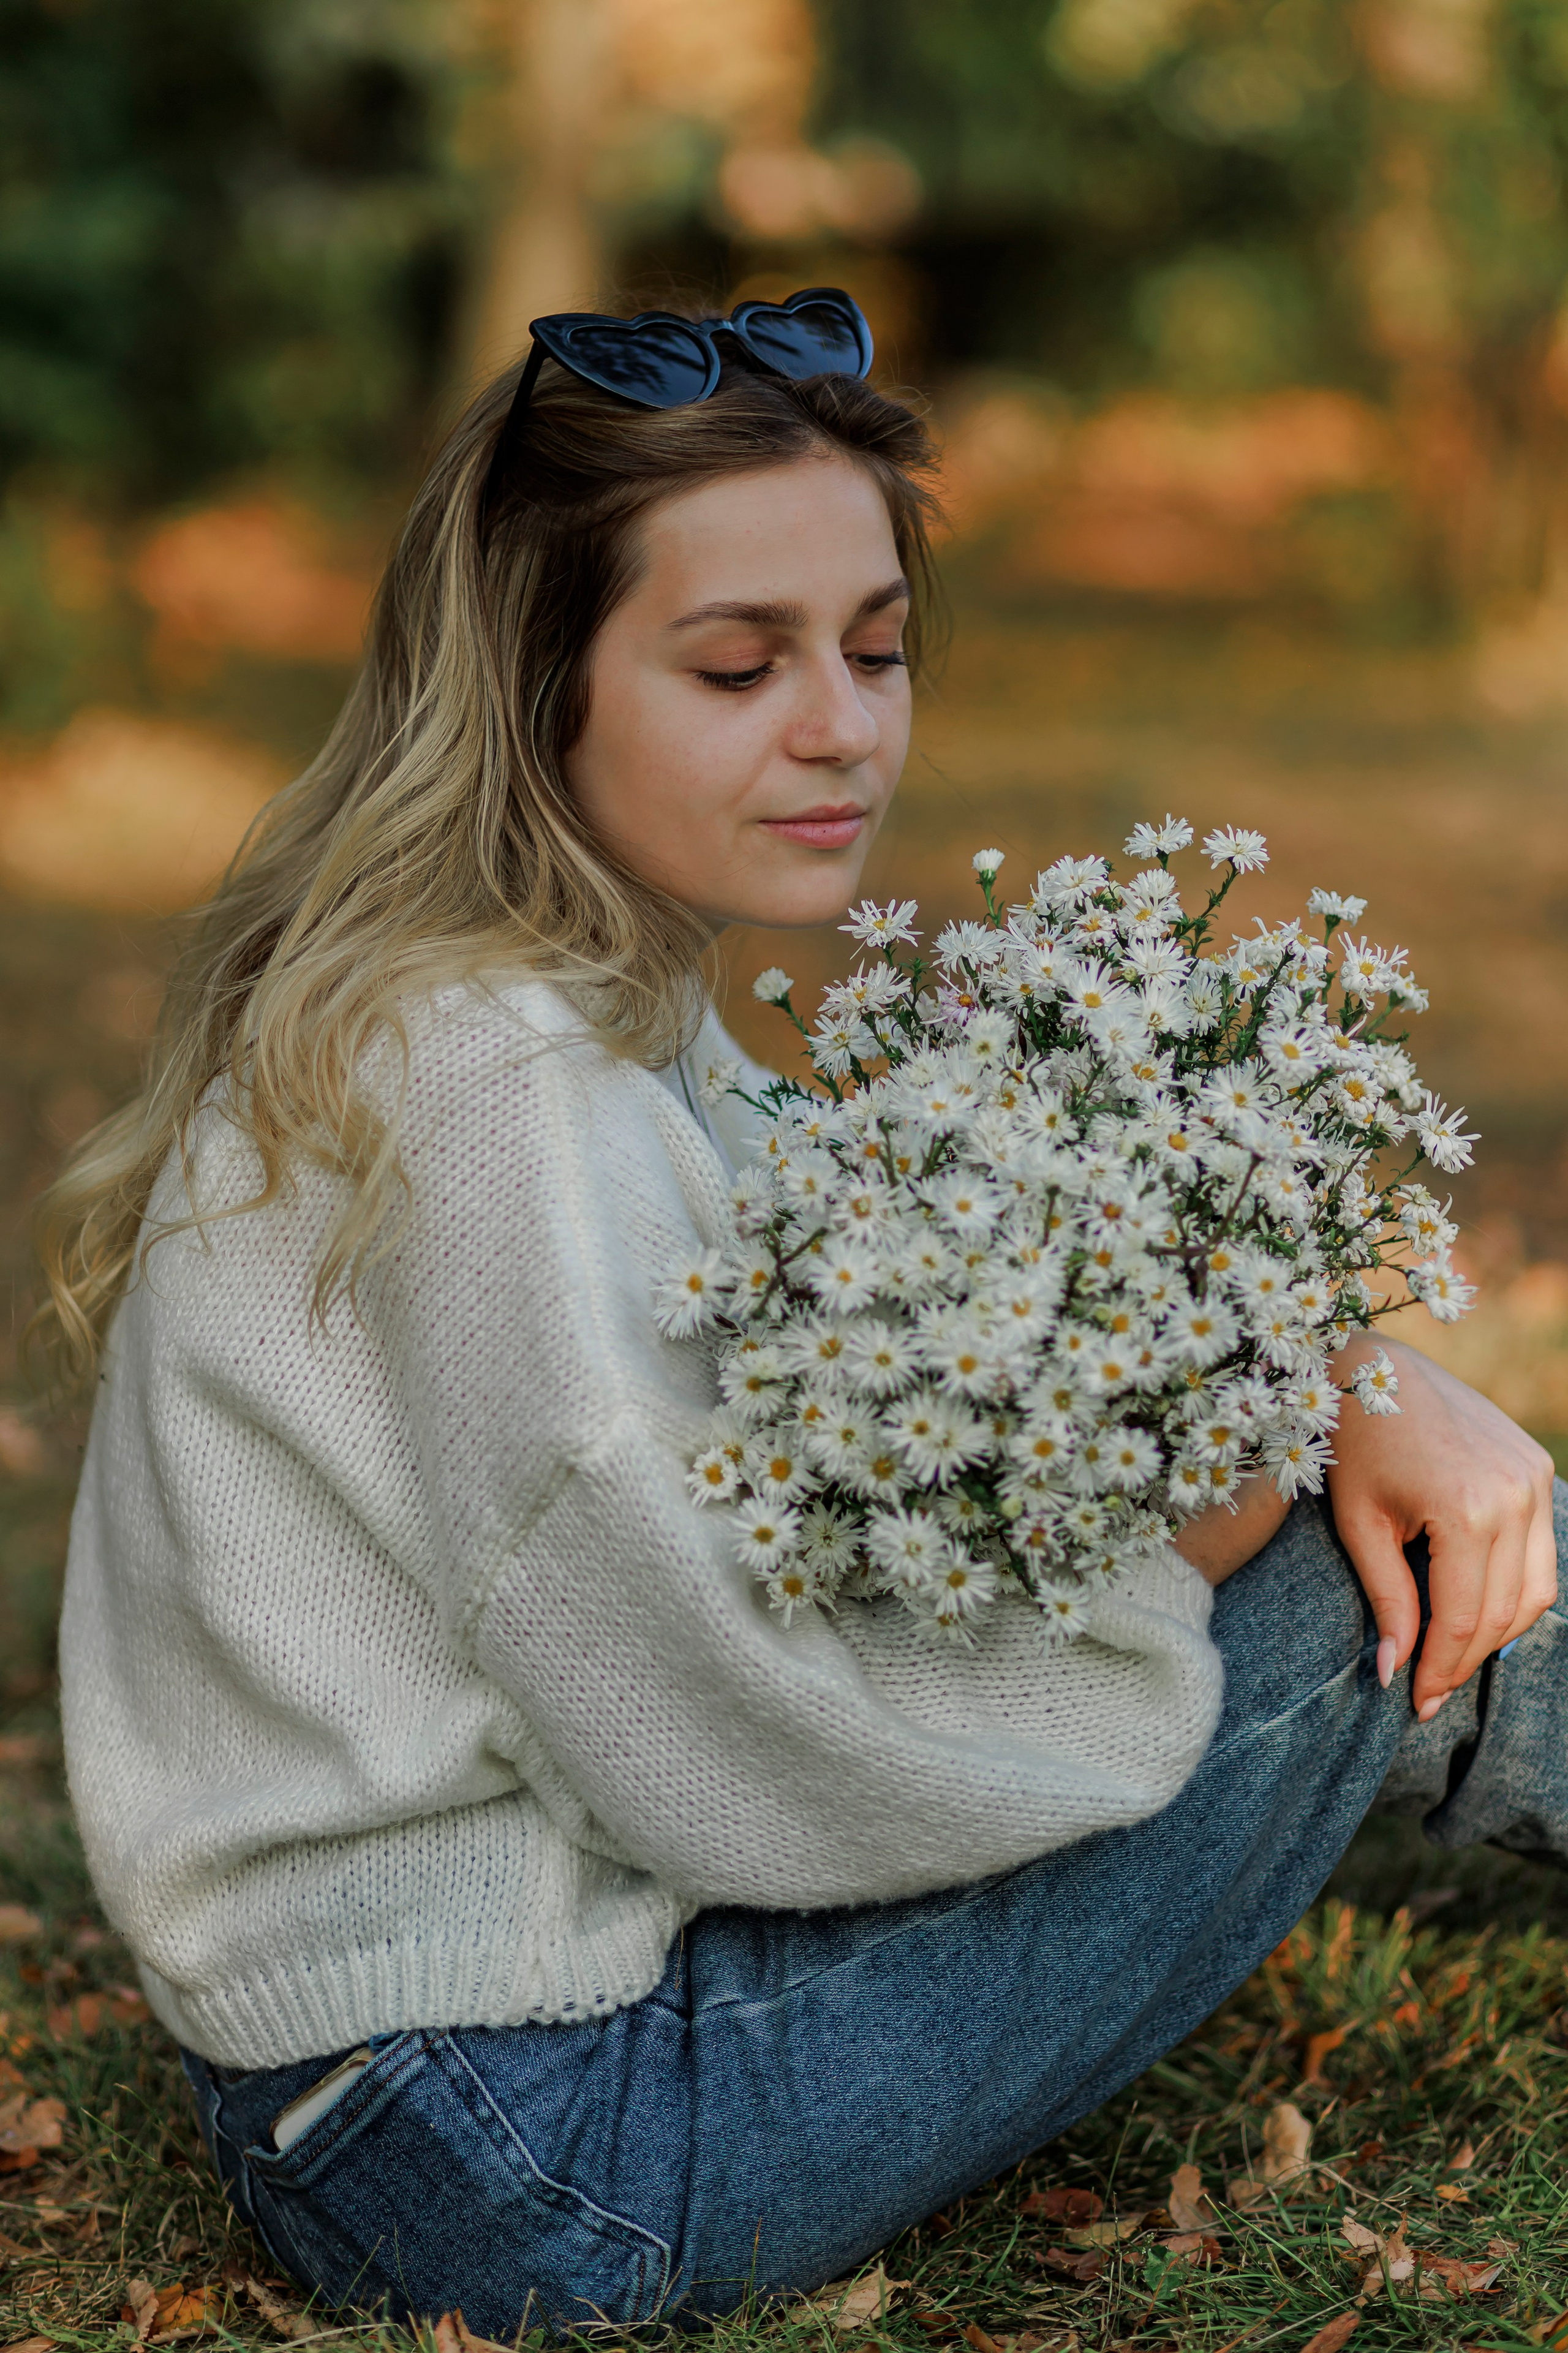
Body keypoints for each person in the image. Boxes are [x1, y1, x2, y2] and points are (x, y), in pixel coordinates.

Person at [39, 290, 1562, 2338]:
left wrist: (1328, 1374)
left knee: (1362, 1479)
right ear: (531, 689)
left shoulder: (570, 996)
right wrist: (1266, 1460)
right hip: (519, 2137)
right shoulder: (484, 1089)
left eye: (876, 645)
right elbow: (753, 1723)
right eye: (739, 664)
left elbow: (905, 1438)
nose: (843, 723)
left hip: (427, 2079)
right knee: (1345, 1556)